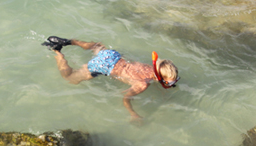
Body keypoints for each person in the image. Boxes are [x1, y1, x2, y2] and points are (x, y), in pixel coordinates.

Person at [42, 36, 179, 122]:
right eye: (170, 82)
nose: (172, 85)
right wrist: (133, 114)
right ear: (160, 77)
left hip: (111, 55)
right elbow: (126, 98)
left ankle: (69, 42)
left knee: (96, 46)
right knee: (70, 78)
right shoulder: (143, 85)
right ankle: (57, 52)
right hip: (105, 65)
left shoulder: (149, 67)